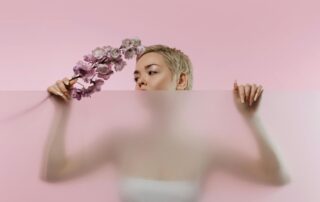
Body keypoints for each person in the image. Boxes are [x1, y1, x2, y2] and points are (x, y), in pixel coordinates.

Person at [44, 44, 290, 202]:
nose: (140, 82)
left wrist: (251, 118)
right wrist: (62, 111)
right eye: (137, 77)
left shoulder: (204, 147)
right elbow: (55, 172)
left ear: (181, 81)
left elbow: (275, 177)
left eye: (151, 72)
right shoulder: (119, 141)